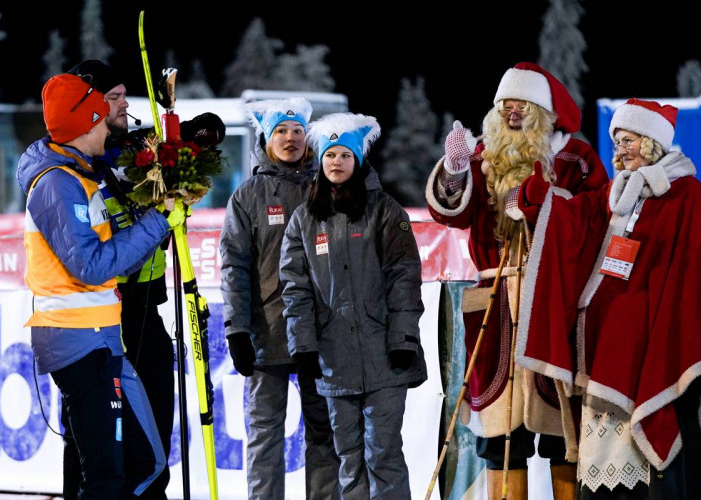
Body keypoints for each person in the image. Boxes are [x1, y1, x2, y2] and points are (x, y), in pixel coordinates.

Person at [516, 98, 701, 499]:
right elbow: (568, 217)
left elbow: (699, 274)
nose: (620, 150)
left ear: (650, 142)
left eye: (628, 140)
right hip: (607, 343)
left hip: (661, 344)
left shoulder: (687, 194)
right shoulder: (615, 193)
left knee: (662, 427)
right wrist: (544, 174)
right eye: (617, 142)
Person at [425, 62, 609, 499]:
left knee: (562, 428)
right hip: (495, 302)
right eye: (505, 105)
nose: (512, 112)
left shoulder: (573, 158)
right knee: (500, 436)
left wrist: (542, 204)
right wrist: (454, 170)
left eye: (522, 105)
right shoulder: (481, 158)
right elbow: (450, 213)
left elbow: (597, 216)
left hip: (554, 297)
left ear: (543, 112)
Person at [60, 59, 226, 500]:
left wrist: (195, 143)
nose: (123, 104)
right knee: (95, 442)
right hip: (99, 315)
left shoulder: (136, 144)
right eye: (112, 97)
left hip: (147, 308)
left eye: (123, 95)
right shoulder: (80, 158)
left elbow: (190, 138)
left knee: (154, 429)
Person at [17, 73, 185, 499]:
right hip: (79, 344)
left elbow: (110, 256)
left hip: (103, 341)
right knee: (105, 478)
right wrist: (158, 219)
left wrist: (159, 208)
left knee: (146, 463)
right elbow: (90, 266)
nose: (107, 124)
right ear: (82, 126)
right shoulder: (58, 183)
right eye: (99, 118)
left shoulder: (82, 176)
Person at [280, 113, 427, 499]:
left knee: (383, 455)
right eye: (330, 155)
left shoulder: (385, 210)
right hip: (334, 361)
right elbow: (294, 288)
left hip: (386, 358)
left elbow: (405, 277)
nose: (336, 163)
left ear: (358, 160)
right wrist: (304, 345)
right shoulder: (303, 220)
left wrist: (403, 339)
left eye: (345, 155)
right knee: (348, 458)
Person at [219, 98, 340, 500]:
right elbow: (233, 265)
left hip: (321, 335)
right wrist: (236, 328)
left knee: (324, 433)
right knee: (265, 436)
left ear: (309, 139)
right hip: (265, 332)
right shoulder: (249, 195)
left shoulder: (328, 187)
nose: (290, 139)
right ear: (267, 140)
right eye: (281, 132)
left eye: (297, 131)